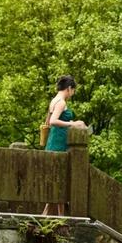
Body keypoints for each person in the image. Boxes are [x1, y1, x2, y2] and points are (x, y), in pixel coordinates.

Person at [42, 74, 87, 215]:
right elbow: (53, 121)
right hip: (59, 144)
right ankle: (48, 214)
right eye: (73, 91)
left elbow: (48, 120)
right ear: (69, 88)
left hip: (54, 141)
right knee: (59, 180)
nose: (72, 94)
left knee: (59, 180)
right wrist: (73, 123)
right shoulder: (61, 102)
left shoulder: (54, 100)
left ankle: (59, 216)